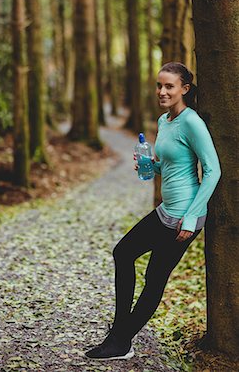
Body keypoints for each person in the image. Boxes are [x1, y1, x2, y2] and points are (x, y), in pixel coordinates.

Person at [85, 62, 221, 361]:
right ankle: (121, 333)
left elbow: (212, 170)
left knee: (152, 274)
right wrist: (152, 166)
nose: (162, 91)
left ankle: (120, 339)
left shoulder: (192, 122)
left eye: (169, 86)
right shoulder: (164, 121)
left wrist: (190, 218)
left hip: (183, 216)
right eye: (159, 85)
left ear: (185, 89)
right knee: (124, 254)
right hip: (165, 210)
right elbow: (173, 164)